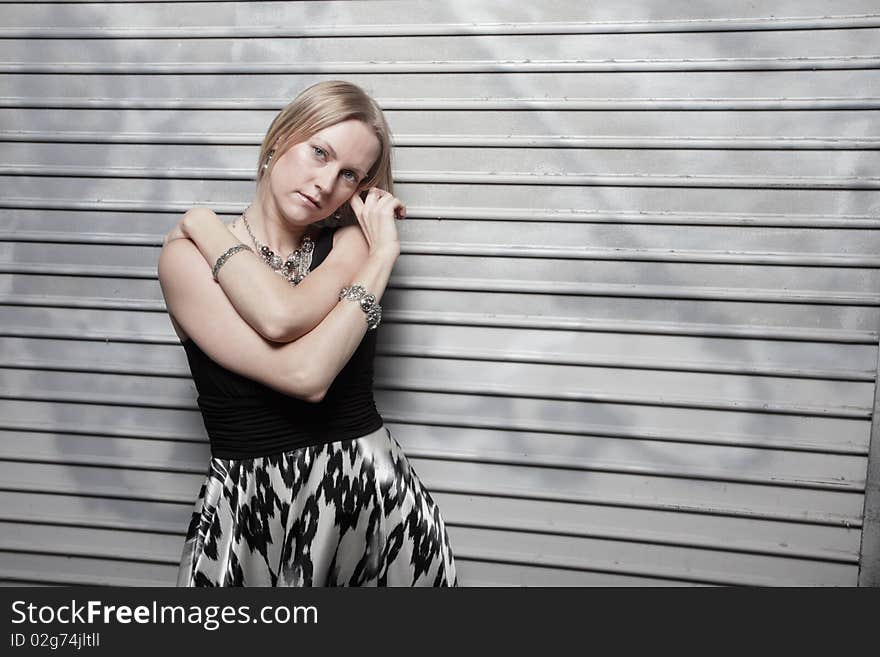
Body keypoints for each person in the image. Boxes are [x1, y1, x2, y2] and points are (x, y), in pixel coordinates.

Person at [157, 80, 458, 586]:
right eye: (319, 152)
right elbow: (290, 343)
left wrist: (382, 253)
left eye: (348, 175)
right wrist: (204, 227)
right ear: (279, 139)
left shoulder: (352, 245)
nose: (326, 182)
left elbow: (295, 346)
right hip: (254, 512)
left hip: (372, 506)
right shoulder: (184, 261)